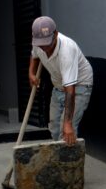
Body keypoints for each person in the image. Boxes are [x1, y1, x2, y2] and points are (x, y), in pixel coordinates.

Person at [29, 16, 93, 146]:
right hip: (58, 85)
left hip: (79, 85)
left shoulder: (67, 50)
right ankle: (58, 157)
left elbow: (70, 90)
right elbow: (34, 55)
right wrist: (31, 73)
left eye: (47, 42)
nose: (44, 47)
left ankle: (67, 164)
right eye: (41, 44)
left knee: (67, 132)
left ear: (56, 34)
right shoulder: (38, 43)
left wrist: (68, 123)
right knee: (54, 128)